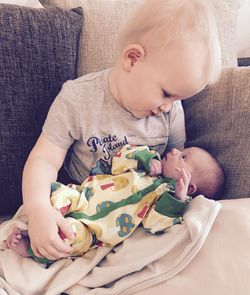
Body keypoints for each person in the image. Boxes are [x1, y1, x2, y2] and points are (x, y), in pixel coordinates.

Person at [22, 0, 222, 261]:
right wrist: (37, 209)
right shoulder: (77, 98)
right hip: (81, 207)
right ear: (132, 58)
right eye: (165, 93)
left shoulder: (172, 111)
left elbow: (177, 162)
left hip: (133, 219)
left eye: (176, 99)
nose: (168, 107)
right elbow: (45, 159)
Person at [7, 144, 224, 262]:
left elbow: (154, 225)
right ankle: (39, 221)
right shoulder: (146, 163)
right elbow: (119, 159)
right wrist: (146, 159)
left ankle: (32, 248)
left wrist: (176, 199)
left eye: (184, 157)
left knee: (72, 240)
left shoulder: (165, 200)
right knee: (59, 196)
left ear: (189, 185)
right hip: (85, 196)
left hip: (96, 231)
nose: (176, 150)